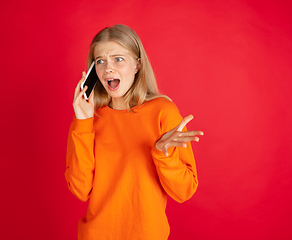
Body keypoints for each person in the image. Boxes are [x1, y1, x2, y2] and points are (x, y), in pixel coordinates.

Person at [65, 24, 203, 240]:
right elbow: (80, 190)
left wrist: (162, 154)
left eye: (118, 59)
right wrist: (83, 122)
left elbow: (184, 191)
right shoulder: (88, 118)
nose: (108, 68)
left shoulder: (162, 111)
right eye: (100, 61)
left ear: (138, 64)